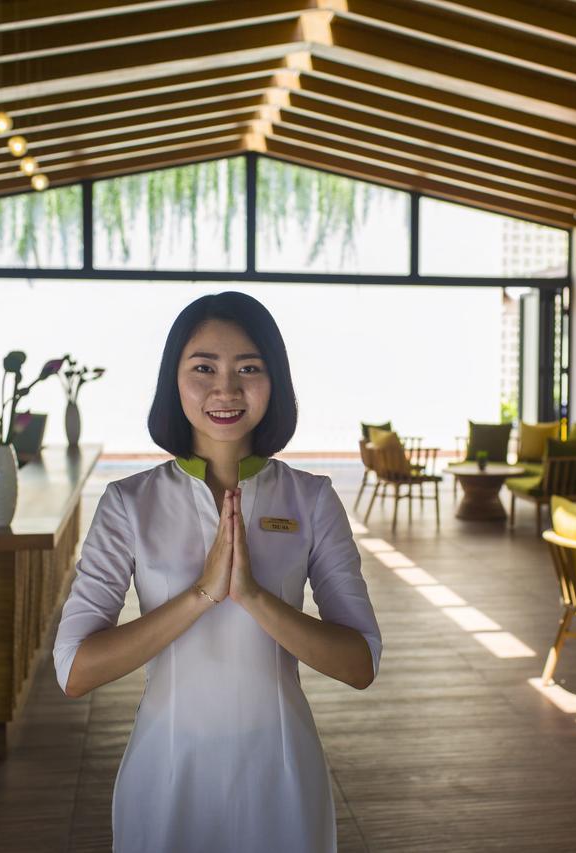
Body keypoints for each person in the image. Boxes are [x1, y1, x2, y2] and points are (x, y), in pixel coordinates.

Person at [53, 291, 381, 853]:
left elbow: (359, 663)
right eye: (203, 367)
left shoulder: (312, 499)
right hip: (167, 772)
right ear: (173, 380)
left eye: (248, 369)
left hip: (282, 773)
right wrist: (203, 593)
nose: (225, 390)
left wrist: (253, 596)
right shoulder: (130, 503)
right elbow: (75, 670)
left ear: (273, 381)